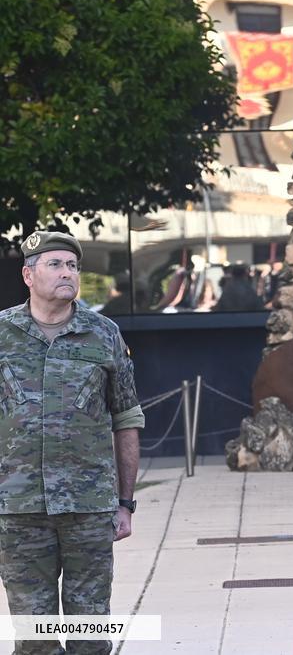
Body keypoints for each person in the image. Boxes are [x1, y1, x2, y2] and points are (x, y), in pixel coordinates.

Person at [0, 231, 144, 655]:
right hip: (18, 508)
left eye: (73, 266)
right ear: (28, 274)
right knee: (34, 637)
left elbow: (126, 419)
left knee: (89, 635)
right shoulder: (2, 335)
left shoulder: (104, 334)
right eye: (56, 265)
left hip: (89, 507)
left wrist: (125, 502)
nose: (68, 273)